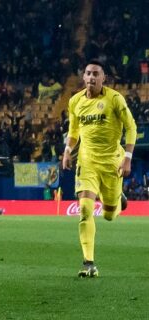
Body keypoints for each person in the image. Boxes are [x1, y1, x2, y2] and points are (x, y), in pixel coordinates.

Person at [61, 59, 136, 277]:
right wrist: (67, 151)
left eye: (96, 74)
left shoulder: (114, 99)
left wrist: (128, 157)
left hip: (113, 161)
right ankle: (88, 263)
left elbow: (131, 127)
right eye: (88, 73)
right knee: (85, 209)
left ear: (104, 78)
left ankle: (117, 197)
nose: (91, 77)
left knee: (110, 215)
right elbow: (73, 130)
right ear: (83, 77)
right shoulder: (75, 101)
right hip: (87, 162)